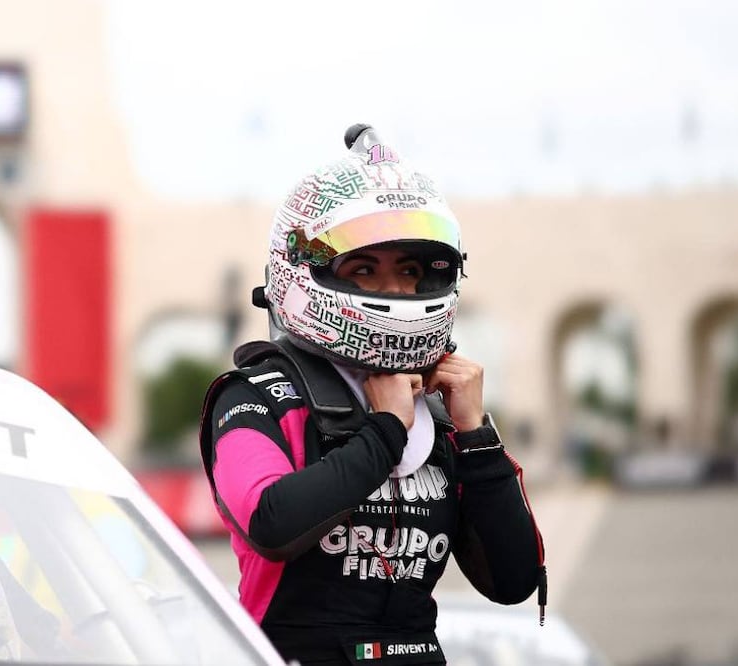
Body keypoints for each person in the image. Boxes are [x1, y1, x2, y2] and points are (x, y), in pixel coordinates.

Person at [199, 125, 546, 665]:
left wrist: (477, 437)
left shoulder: (441, 414)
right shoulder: (256, 399)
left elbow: (514, 579)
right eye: (364, 269)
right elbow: (271, 521)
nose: (396, 291)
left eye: (409, 271)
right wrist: (384, 432)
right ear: (302, 272)